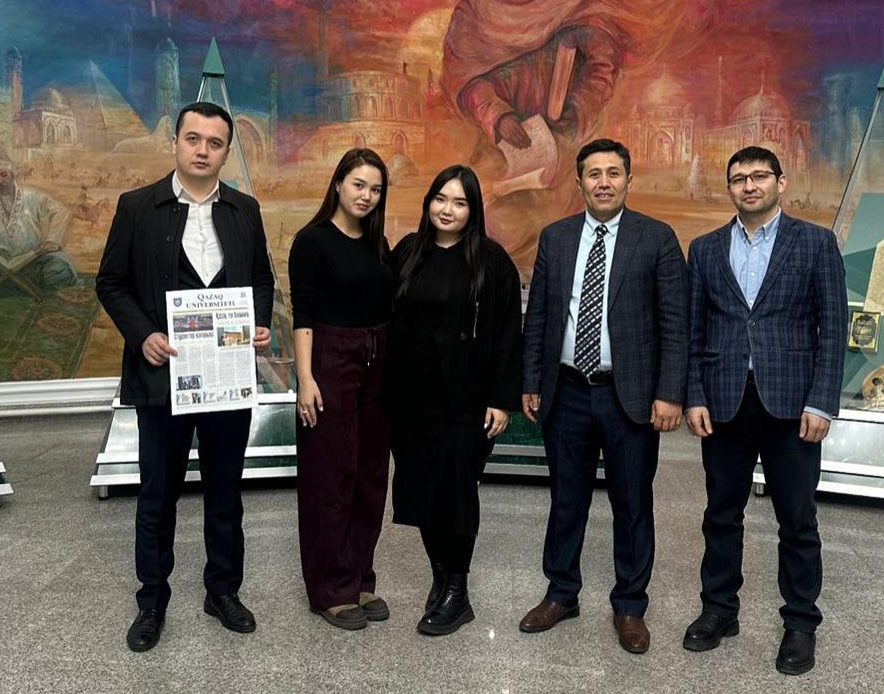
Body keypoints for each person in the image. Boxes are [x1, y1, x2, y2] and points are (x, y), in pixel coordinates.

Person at [95, 101, 275, 653]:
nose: (202, 150)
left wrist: (258, 322)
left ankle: (222, 591)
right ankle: (152, 601)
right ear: (174, 143)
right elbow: (110, 283)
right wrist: (142, 334)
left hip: (225, 379)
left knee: (225, 492)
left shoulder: (245, 209)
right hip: (162, 379)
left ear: (226, 152)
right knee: (158, 494)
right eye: (193, 139)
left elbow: (262, 278)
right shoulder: (137, 207)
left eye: (214, 143)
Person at [441, 0, 713, 260]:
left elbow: (601, 69)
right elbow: (465, 75)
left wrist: (576, 112)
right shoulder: (479, 8)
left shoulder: (578, 6)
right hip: (501, 148)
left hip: (562, 146)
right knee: (489, 233)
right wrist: (498, 118)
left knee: (561, 241)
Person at [682, 145, 847, 676]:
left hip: (792, 405)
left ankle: (800, 622)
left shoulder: (815, 243)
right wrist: (694, 395)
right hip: (724, 402)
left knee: (796, 519)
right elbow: (692, 331)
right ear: (729, 187)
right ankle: (718, 610)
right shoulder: (705, 249)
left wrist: (822, 401)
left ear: (780, 181)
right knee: (720, 514)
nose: (749, 186)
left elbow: (833, 329)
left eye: (759, 176)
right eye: (739, 178)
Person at [519, 138, 687, 654]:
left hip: (628, 396)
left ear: (629, 180)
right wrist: (531, 381)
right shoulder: (556, 238)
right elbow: (539, 316)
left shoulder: (656, 238)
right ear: (579, 183)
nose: (604, 182)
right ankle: (561, 593)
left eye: (614, 172)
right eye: (594, 174)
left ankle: (630, 605)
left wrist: (670, 394)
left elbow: (675, 323)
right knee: (565, 500)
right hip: (566, 391)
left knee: (632, 503)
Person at [388, 165, 522, 635]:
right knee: (422, 489)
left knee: (456, 493)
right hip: (410, 399)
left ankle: (458, 591)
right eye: (440, 199)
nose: (448, 210)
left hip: (466, 400)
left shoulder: (491, 260)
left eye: (460, 202)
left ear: (473, 210)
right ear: (428, 202)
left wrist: (501, 399)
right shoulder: (408, 252)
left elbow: (508, 333)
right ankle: (441, 576)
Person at [289, 148, 393, 631]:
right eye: (358, 185)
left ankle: (359, 576)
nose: (366, 196)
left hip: (377, 361)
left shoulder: (377, 242)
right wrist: (305, 379)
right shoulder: (311, 241)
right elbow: (303, 313)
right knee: (331, 475)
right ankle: (330, 588)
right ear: (337, 184)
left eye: (375, 189)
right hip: (329, 360)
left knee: (370, 474)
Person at [0, 150, 77, 292]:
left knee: (61, 268)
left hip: (32, 259)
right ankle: (19, 281)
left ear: (12, 174)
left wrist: (52, 240)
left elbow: (61, 211)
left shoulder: (32, 197)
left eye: (3, 174)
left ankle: (6, 282)